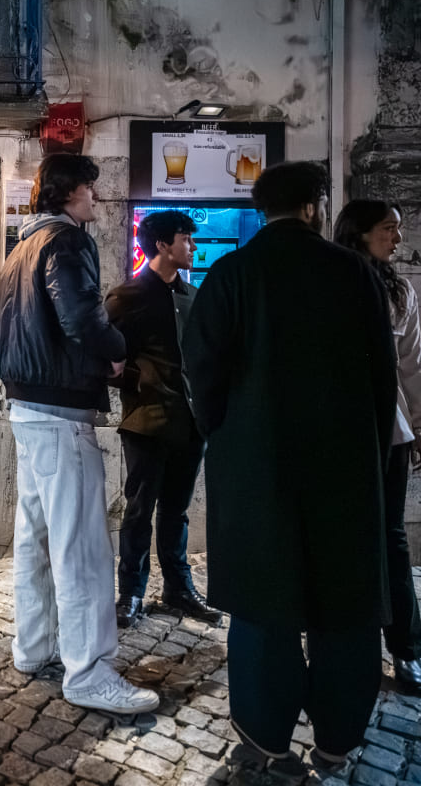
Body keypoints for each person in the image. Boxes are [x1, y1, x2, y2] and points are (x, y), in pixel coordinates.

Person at [183, 163, 396, 770]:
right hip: (343, 467)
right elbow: (383, 379)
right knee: (346, 605)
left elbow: (202, 372)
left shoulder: (230, 274)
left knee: (262, 602)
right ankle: (336, 739)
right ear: (315, 206)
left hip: (256, 468)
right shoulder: (355, 273)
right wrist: (371, 453)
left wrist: (224, 433)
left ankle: (265, 735)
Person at [0, 153, 158, 715]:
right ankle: (88, 671)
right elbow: (81, 318)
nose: (97, 197)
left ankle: (33, 647)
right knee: (82, 544)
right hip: (61, 409)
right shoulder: (66, 242)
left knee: (36, 535)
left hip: (27, 404)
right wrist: (115, 353)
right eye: (90, 187)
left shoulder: (19, 249)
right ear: (68, 192)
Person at [105, 210, 220, 628]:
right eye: (186, 239)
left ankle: (179, 589)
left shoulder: (193, 297)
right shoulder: (127, 297)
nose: (192, 246)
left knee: (177, 511)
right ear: (161, 245)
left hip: (191, 423)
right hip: (147, 422)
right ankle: (131, 594)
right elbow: (103, 359)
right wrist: (139, 381)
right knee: (139, 510)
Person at [334, 199, 421, 695]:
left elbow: (412, 365)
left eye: (399, 229)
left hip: (388, 431)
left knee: (392, 537)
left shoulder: (399, 289)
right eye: (389, 229)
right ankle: (348, 644)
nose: (396, 238)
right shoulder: (333, 280)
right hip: (339, 432)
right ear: (361, 232)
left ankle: (406, 648)